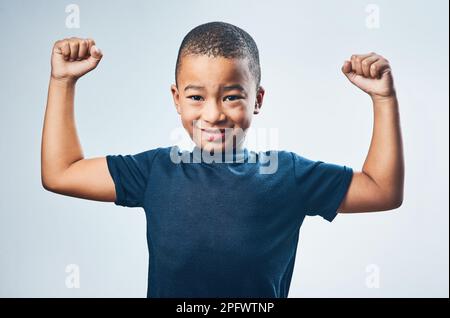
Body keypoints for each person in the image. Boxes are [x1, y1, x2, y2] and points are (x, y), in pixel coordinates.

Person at [41, 21, 404, 297]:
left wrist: (383, 100)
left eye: (231, 96)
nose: (213, 114)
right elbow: (61, 173)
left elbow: (382, 190)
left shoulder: (288, 175)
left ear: (257, 99)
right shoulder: (154, 172)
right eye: (196, 97)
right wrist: (62, 82)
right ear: (176, 98)